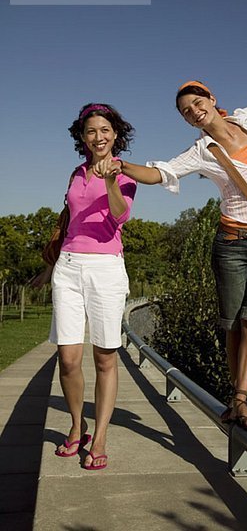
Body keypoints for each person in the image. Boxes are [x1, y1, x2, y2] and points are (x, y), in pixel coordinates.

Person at [94, 48, 247, 430]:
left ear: (212, 100)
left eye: (197, 102)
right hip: (231, 245)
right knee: (232, 323)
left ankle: (241, 399)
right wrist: (121, 165)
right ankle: (236, 396)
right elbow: (159, 173)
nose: (194, 111)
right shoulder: (200, 152)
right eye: (186, 111)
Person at [33, 103, 137, 469]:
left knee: (105, 357)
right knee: (68, 358)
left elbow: (120, 214)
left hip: (106, 268)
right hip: (69, 268)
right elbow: (70, 223)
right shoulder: (75, 173)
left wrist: (110, 179)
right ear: (82, 137)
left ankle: (101, 434)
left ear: (115, 134)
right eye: (91, 131)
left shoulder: (124, 173)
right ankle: (77, 428)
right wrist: (51, 268)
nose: (99, 137)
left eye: (105, 130)